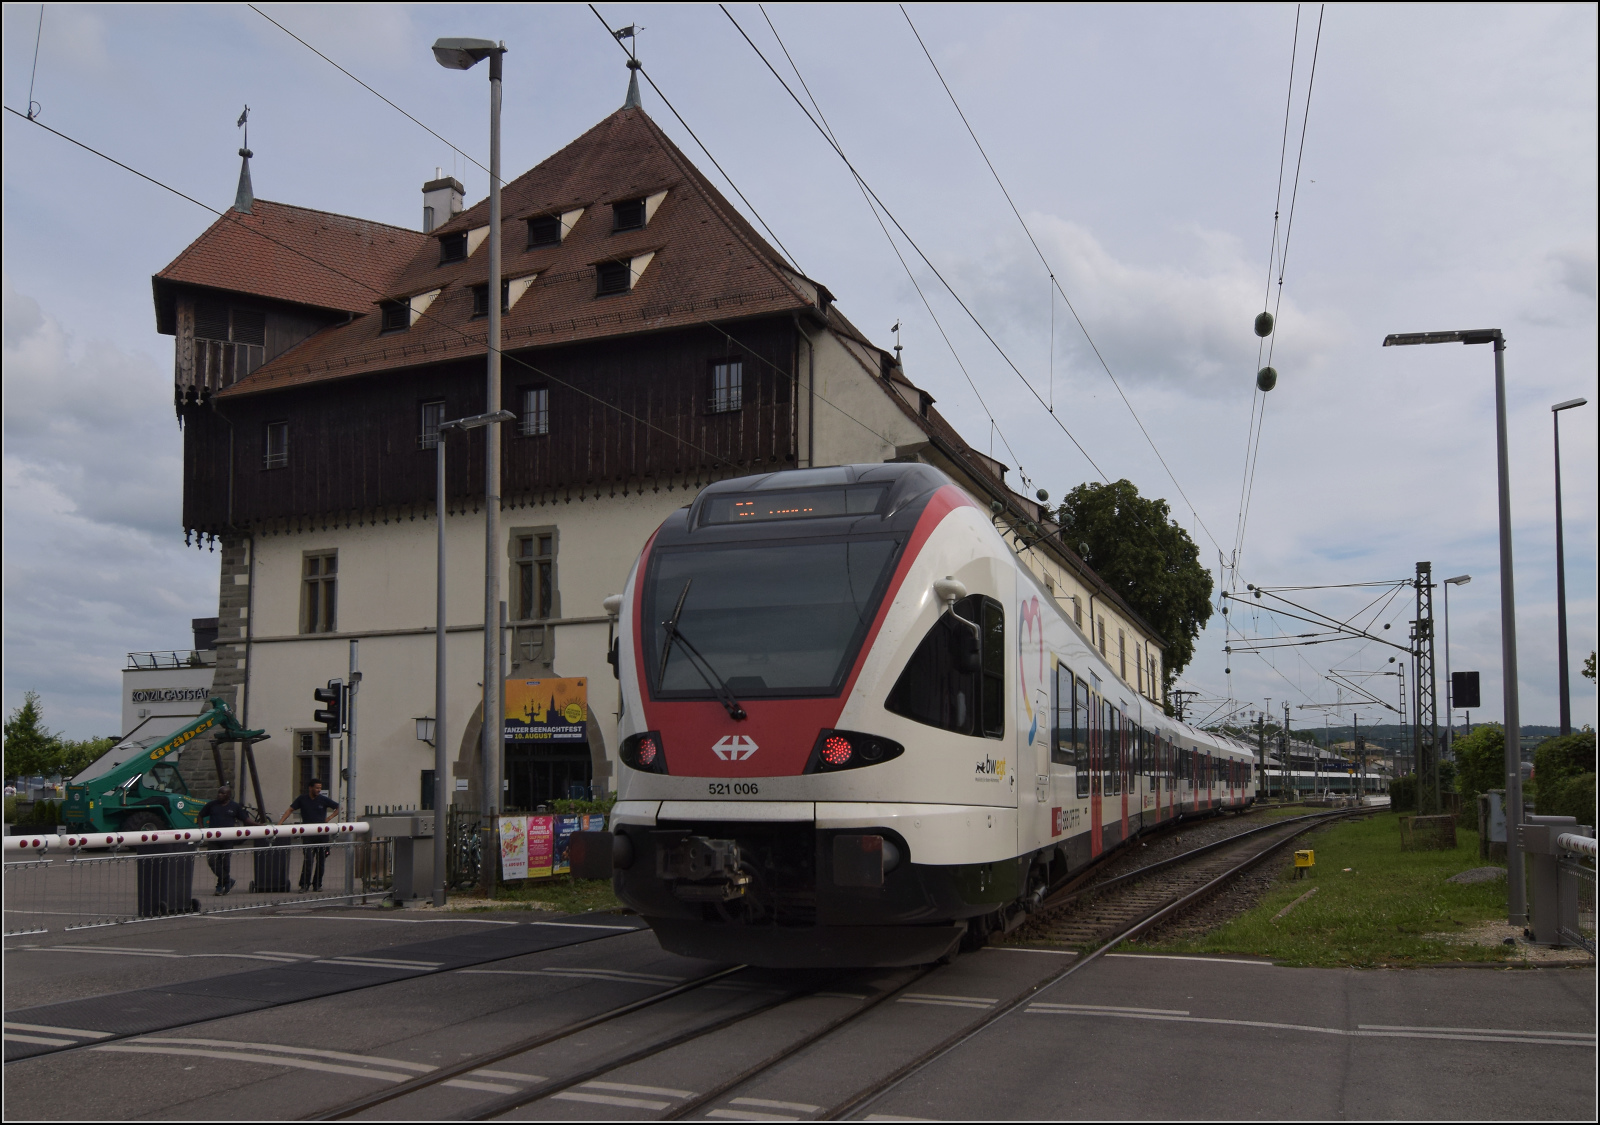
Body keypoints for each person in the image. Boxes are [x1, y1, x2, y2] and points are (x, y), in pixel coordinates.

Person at [279, 778, 339, 891]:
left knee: (321, 861)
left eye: (320, 788)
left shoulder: (323, 799)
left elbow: (338, 807)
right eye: (316, 788)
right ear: (310, 788)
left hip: (322, 835)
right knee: (308, 860)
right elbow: (290, 810)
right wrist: (280, 823)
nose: (318, 790)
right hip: (308, 835)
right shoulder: (302, 799)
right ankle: (304, 885)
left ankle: (317, 884)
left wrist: (329, 818)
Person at [198, 784, 251, 895]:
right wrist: (202, 830)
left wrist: (261, 825)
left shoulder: (234, 806)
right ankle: (228, 881)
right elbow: (200, 816)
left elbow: (246, 820)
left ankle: (219, 886)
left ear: (228, 795)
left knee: (225, 863)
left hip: (227, 839)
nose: (219, 795)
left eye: (222, 793)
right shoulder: (212, 805)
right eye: (219, 792)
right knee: (212, 860)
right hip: (213, 839)